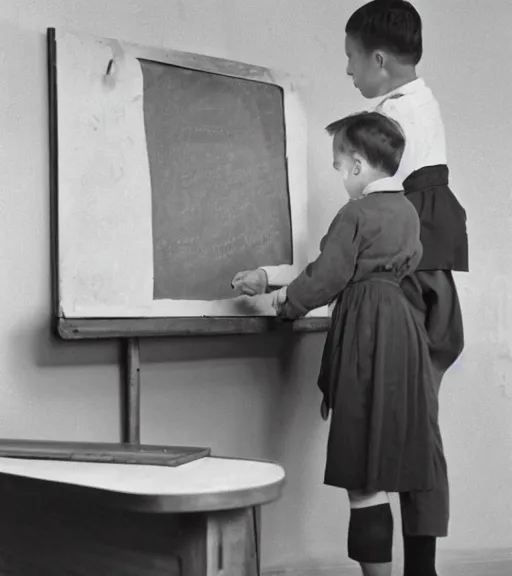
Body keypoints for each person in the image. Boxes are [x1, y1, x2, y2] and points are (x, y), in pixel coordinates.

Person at [232, 3, 468, 575]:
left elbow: (345, 259)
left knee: (371, 453)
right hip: (429, 290)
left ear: (379, 60)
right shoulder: (424, 111)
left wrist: (285, 291)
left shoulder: (388, 131)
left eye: (350, 58)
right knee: (418, 443)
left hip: (404, 300)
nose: (347, 71)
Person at [254, 110, 443, 576]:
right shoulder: (407, 211)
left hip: (366, 329)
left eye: (338, 166)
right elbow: (411, 258)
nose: (338, 175)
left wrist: (285, 305)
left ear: (358, 166)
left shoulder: (355, 213)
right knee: (393, 456)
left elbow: (329, 275)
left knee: (362, 473)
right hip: (403, 331)